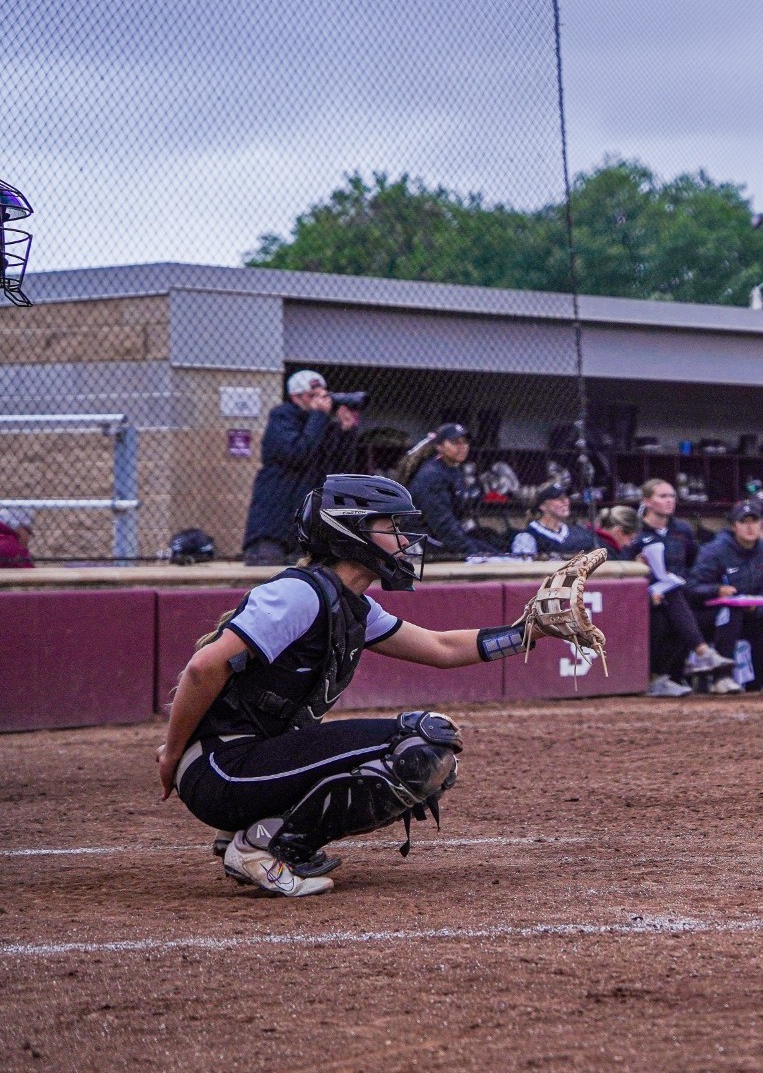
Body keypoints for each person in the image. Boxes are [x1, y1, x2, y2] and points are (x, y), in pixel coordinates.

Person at [155, 474, 546, 898]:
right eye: (390, 526)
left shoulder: (350, 603)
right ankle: (261, 845)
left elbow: (442, 647)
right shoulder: (298, 594)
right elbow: (202, 669)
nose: (404, 539)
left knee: (434, 756)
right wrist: (173, 754)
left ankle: (262, 828)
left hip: (243, 767)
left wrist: (530, 631)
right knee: (422, 742)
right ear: (350, 529)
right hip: (221, 770)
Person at [242, 369, 360, 565]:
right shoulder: (281, 417)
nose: (318, 401)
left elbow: (341, 468)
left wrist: (345, 432)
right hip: (275, 521)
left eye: (322, 396)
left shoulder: (321, 424)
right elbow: (298, 453)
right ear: (295, 397)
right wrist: (319, 416)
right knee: (267, 575)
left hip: (306, 524)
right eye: (311, 395)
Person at [688, 499, 763, 694]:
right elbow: (692, 587)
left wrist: (757, 606)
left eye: (754, 521)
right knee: (730, 611)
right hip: (712, 614)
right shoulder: (714, 551)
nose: (750, 527)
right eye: (744, 522)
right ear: (734, 526)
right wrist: (717, 590)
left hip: (750, 612)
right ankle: (721, 678)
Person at [634, 480, 731, 698]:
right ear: (647, 501)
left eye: (672, 496)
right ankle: (702, 652)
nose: (669, 501)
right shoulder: (638, 533)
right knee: (668, 613)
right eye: (662, 496)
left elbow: (693, 562)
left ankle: (666, 676)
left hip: (679, 593)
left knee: (679, 599)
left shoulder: (682, 530)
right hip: (649, 597)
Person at [407, 423, 497, 558]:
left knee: (496, 549)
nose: (462, 447)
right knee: (487, 557)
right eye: (455, 442)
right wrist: (471, 552)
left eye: (465, 442)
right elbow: (442, 524)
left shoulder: (452, 468)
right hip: (422, 541)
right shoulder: (432, 475)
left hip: (441, 536)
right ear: (439, 446)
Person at [511, 485, 597, 558]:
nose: (565, 501)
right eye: (559, 498)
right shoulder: (528, 536)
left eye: (566, 497)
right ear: (543, 506)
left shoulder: (577, 532)